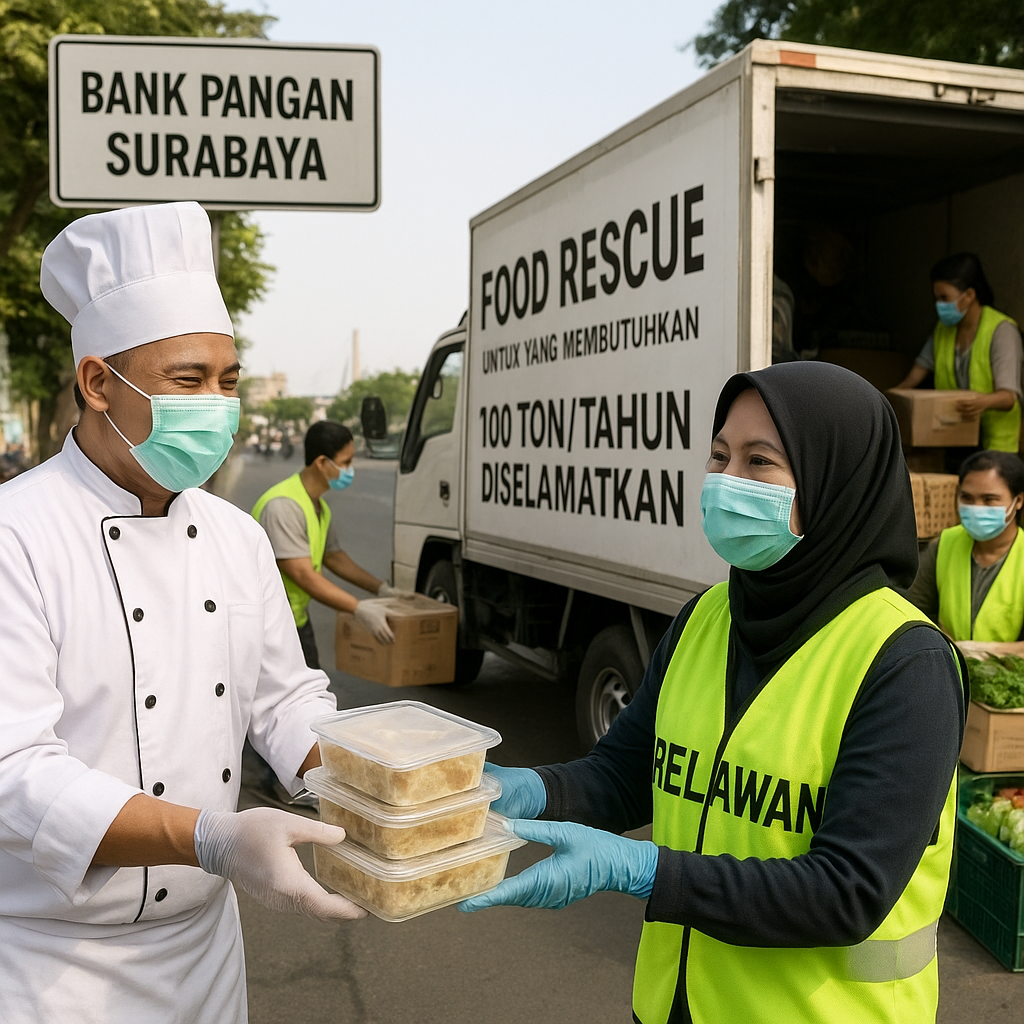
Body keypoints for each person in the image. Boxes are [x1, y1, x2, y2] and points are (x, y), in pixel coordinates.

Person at [460, 362, 966, 1024]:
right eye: (720, 456)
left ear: (834, 483)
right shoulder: (706, 617)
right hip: (678, 1003)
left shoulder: (905, 662)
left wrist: (640, 869)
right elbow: (623, 774)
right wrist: (517, 791)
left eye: (760, 462)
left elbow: (848, 891)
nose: (727, 482)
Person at [0, 202, 364, 1024]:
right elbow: (13, 772)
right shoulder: (16, 534)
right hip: (47, 968)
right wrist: (212, 836)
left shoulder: (235, 537)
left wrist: (371, 780)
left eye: (228, 381)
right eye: (188, 381)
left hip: (204, 958)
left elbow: (283, 698)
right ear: (98, 384)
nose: (218, 405)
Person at [253, 419, 411, 671]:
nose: (350, 470)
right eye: (346, 462)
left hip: (296, 620)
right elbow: (303, 574)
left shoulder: (318, 507)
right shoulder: (283, 506)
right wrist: (358, 609)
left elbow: (334, 556)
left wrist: (382, 590)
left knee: (312, 694)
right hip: (269, 628)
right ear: (322, 463)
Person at [896, 253, 1023, 466]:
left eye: (944, 298)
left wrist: (982, 402)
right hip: (955, 440)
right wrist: (887, 399)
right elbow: (916, 375)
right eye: (936, 298)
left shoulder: (1001, 331)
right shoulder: (942, 330)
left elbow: (1009, 397)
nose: (939, 305)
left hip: (995, 448)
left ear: (969, 295)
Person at [903, 449, 1024, 641]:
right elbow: (913, 610)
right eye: (967, 498)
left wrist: (987, 652)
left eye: (989, 499)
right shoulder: (945, 544)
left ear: (1018, 501)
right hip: (953, 665)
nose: (977, 508)